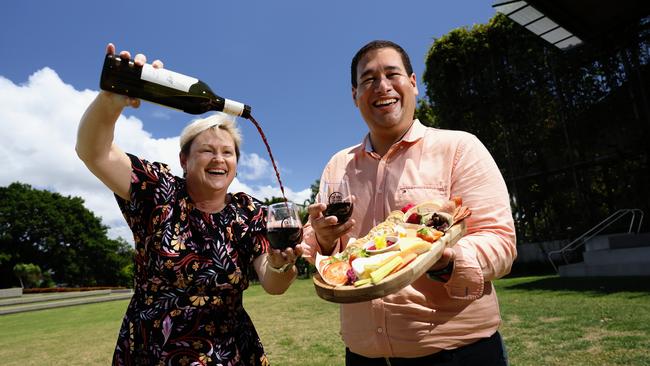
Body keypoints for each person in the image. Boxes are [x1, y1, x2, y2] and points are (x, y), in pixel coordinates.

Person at [76, 43, 302, 365]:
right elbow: (93, 151)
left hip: (231, 353)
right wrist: (111, 101)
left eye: (228, 152)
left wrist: (283, 263)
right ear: (184, 159)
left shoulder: (249, 211)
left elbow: (273, 282)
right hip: (154, 350)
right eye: (207, 150)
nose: (219, 159)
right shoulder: (158, 190)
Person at [299, 40, 517, 365]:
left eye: (392, 73)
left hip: (458, 354)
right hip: (363, 356)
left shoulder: (459, 148)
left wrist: (445, 260)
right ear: (355, 95)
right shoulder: (337, 166)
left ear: (413, 83)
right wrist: (324, 240)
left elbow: (500, 241)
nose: (382, 86)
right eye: (369, 79)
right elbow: (318, 248)